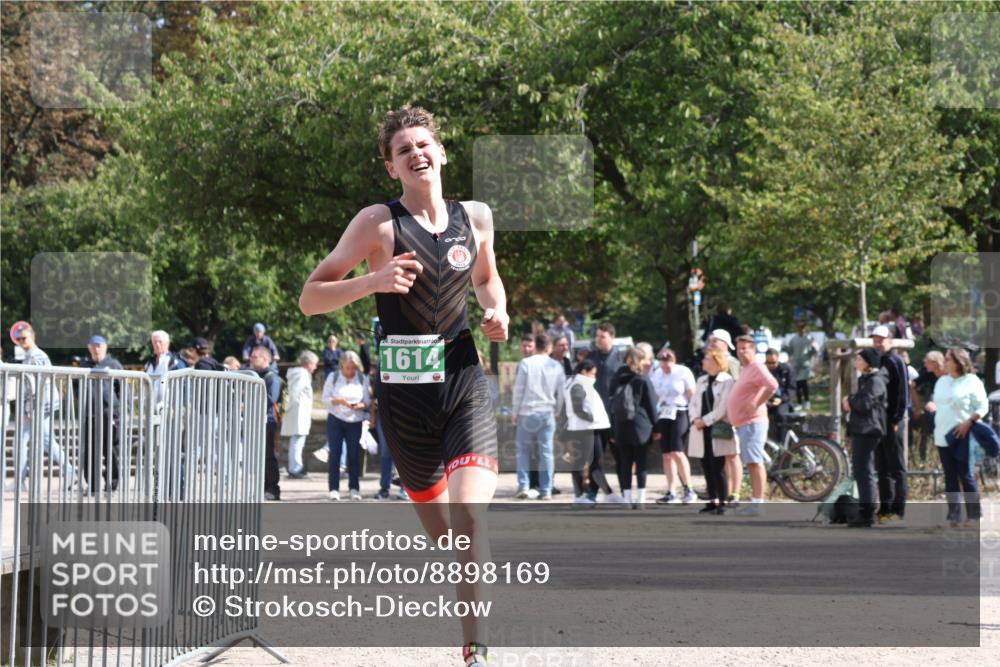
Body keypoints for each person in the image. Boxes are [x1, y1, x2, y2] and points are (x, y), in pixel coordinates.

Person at [298, 105, 508, 666]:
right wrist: (373, 281)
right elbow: (310, 296)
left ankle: (475, 648)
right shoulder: (376, 224)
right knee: (448, 538)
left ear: (441, 153)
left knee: (469, 519)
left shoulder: (477, 218)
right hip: (404, 397)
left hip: (463, 379)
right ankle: (472, 578)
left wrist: (498, 313)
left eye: (423, 144)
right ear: (391, 168)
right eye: (402, 150)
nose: (416, 154)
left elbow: (487, 281)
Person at [9, 324, 76, 492]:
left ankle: (20, 480)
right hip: (40, 405)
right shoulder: (31, 355)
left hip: (39, 406)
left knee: (23, 442)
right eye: (19, 339)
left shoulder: (36, 355)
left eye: (24, 338)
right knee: (45, 441)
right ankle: (69, 472)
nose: (21, 341)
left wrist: (30, 410)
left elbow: (41, 382)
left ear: (33, 337)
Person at [931, 348, 989, 526]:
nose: (945, 362)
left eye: (948, 359)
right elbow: (939, 402)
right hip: (942, 435)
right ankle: (953, 515)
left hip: (963, 434)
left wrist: (968, 423)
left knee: (966, 475)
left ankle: (974, 515)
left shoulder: (972, 381)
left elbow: (982, 406)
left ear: (958, 362)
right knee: (950, 476)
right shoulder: (942, 380)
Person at [727, 335, 779, 516]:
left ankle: (758, 504)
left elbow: (772, 385)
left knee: (755, 462)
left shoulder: (756, 366)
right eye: (739, 348)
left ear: (753, 350)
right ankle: (756, 503)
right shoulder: (746, 369)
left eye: (745, 348)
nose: (741, 352)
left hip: (753, 422)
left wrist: (756, 403)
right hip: (744, 423)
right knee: (751, 462)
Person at [511, 334, 565, 500]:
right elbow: (562, 392)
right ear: (548, 348)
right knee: (546, 452)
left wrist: (515, 412)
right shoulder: (556, 366)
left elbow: (518, 390)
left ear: (536, 346)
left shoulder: (526, 363)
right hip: (547, 412)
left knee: (523, 451)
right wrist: (558, 409)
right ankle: (546, 489)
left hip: (527, 412)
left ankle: (524, 485)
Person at [608, 347, 659, 509]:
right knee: (641, 464)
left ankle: (626, 499)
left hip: (621, 426)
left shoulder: (617, 378)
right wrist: (657, 427)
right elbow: (651, 405)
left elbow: (611, 404)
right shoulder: (643, 379)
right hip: (640, 426)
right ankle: (641, 499)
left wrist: (612, 428)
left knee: (625, 463)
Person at [842, 348, 887, 528]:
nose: (856, 363)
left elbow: (865, 403)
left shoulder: (875, 381)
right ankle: (865, 508)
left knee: (864, 470)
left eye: (859, 359)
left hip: (869, 430)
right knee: (860, 470)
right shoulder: (865, 380)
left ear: (869, 362)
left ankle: (868, 511)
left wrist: (849, 400)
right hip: (861, 429)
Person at [689, 349, 737, 515]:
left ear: (717, 361)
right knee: (706, 465)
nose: (703, 361)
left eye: (707, 359)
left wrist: (705, 420)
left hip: (716, 427)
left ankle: (723, 502)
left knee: (718, 466)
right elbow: (693, 402)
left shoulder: (727, 380)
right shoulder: (701, 380)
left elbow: (723, 407)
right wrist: (695, 419)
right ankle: (712, 500)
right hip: (700, 428)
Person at [564, 359, 616, 505]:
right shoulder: (578, 385)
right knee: (585, 463)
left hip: (590, 427)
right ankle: (583, 495)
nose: (594, 377)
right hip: (584, 429)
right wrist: (592, 418)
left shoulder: (582, 384)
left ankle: (603, 493)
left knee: (594, 463)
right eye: (592, 374)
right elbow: (578, 408)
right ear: (584, 372)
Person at [871, 325, 909, 521]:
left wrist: (896, 418)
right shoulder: (877, 359)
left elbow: (902, 392)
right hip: (879, 420)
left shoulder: (895, 360)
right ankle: (885, 507)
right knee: (881, 464)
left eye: (881, 339)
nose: (878, 343)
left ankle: (898, 508)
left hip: (893, 419)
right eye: (875, 339)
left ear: (890, 341)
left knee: (896, 464)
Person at [650, 348, 697, 504]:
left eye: (668, 361)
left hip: (680, 411)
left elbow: (691, 393)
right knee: (666, 453)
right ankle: (671, 490)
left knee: (677, 451)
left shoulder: (683, 372)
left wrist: (695, 413)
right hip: (664, 413)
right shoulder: (657, 374)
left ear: (674, 360)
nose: (666, 366)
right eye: (663, 362)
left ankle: (689, 487)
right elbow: (655, 396)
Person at [322, 350, 371, 500]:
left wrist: (360, 405)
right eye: (347, 368)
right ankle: (334, 489)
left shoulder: (362, 379)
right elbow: (325, 399)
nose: (350, 371)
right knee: (335, 455)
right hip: (336, 419)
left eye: (353, 368)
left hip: (355, 421)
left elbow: (367, 401)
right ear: (341, 366)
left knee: (354, 455)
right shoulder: (333, 377)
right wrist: (340, 401)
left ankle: (354, 488)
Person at [79, 335, 124, 494]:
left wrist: (122, 411)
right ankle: (92, 486)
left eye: (100, 346)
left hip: (109, 414)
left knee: (111, 450)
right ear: (89, 348)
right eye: (94, 346)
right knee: (89, 452)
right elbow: (76, 387)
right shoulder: (83, 365)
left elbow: (123, 389)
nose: (97, 349)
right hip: (89, 415)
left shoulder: (114, 365)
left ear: (106, 347)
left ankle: (112, 484)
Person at [586, 322, 626, 496]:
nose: (598, 340)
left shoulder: (620, 360)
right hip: (595, 417)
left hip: (615, 417)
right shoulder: (590, 358)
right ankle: (593, 493)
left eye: (602, 336)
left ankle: (625, 492)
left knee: (621, 457)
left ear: (612, 338)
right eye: (597, 336)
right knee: (595, 457)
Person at [249, 345, 283, 501]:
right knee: (258, 457)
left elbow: (271, 399)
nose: (251, 358)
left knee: (268, 456)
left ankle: (273, 489)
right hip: (256, 420)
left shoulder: (272, 377)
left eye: (255, 356)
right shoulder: (256, 375)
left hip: (267, 421)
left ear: (265, 359)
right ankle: (262, 488)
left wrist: (248, 402)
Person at [281, 350, 318, 478]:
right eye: (314, 364)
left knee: (297, 441)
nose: (316, 367)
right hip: (298, 413)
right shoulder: (302, 374)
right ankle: (295, 468)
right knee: (297, 441)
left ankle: (296, 467)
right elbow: (294, 393)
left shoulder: (300, 374)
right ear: (308, 363)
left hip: (298, 412)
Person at [912, 351, 946, 464]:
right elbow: (911, 385)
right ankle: (926, 452)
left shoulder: (948, 375)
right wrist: (918, 407)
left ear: (935, 363)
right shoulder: (930, 374)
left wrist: (937, 404)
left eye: (927, 362)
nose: (925, 365)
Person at [763, 349, 794, 441]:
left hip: (781, 400)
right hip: (764, 400)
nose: (771, 365)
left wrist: (781, 399)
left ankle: (782, 443)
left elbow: (791, 388)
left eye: (773, 362)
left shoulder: (786, 369)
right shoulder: (762, 369)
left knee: (781, 415)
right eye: (768, 363)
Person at [786, 322, 817, 408]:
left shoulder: (809, 338)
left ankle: (807, 401)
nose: (801, 329)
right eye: (800, 327)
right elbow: (790, 350)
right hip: (796, 365)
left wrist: (814, 348)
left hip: (805, 364)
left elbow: (815, 351)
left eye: (803, 327)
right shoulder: (794, 339)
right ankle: (799, 402)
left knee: (804, 383)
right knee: (797, 384)